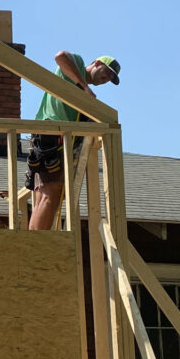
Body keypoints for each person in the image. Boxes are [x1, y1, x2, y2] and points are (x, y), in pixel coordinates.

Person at [26, 52, 121, 231]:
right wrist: (84, 87)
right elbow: (60, 56)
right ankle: (37, 244)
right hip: (52, 134)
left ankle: (33, 242)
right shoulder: (77, 65)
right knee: (51, 193)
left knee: (43, 195)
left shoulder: (82, 100)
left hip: (49, 138)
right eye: (106, 72)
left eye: (110, 78)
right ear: (97, 63)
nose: (106, 79)